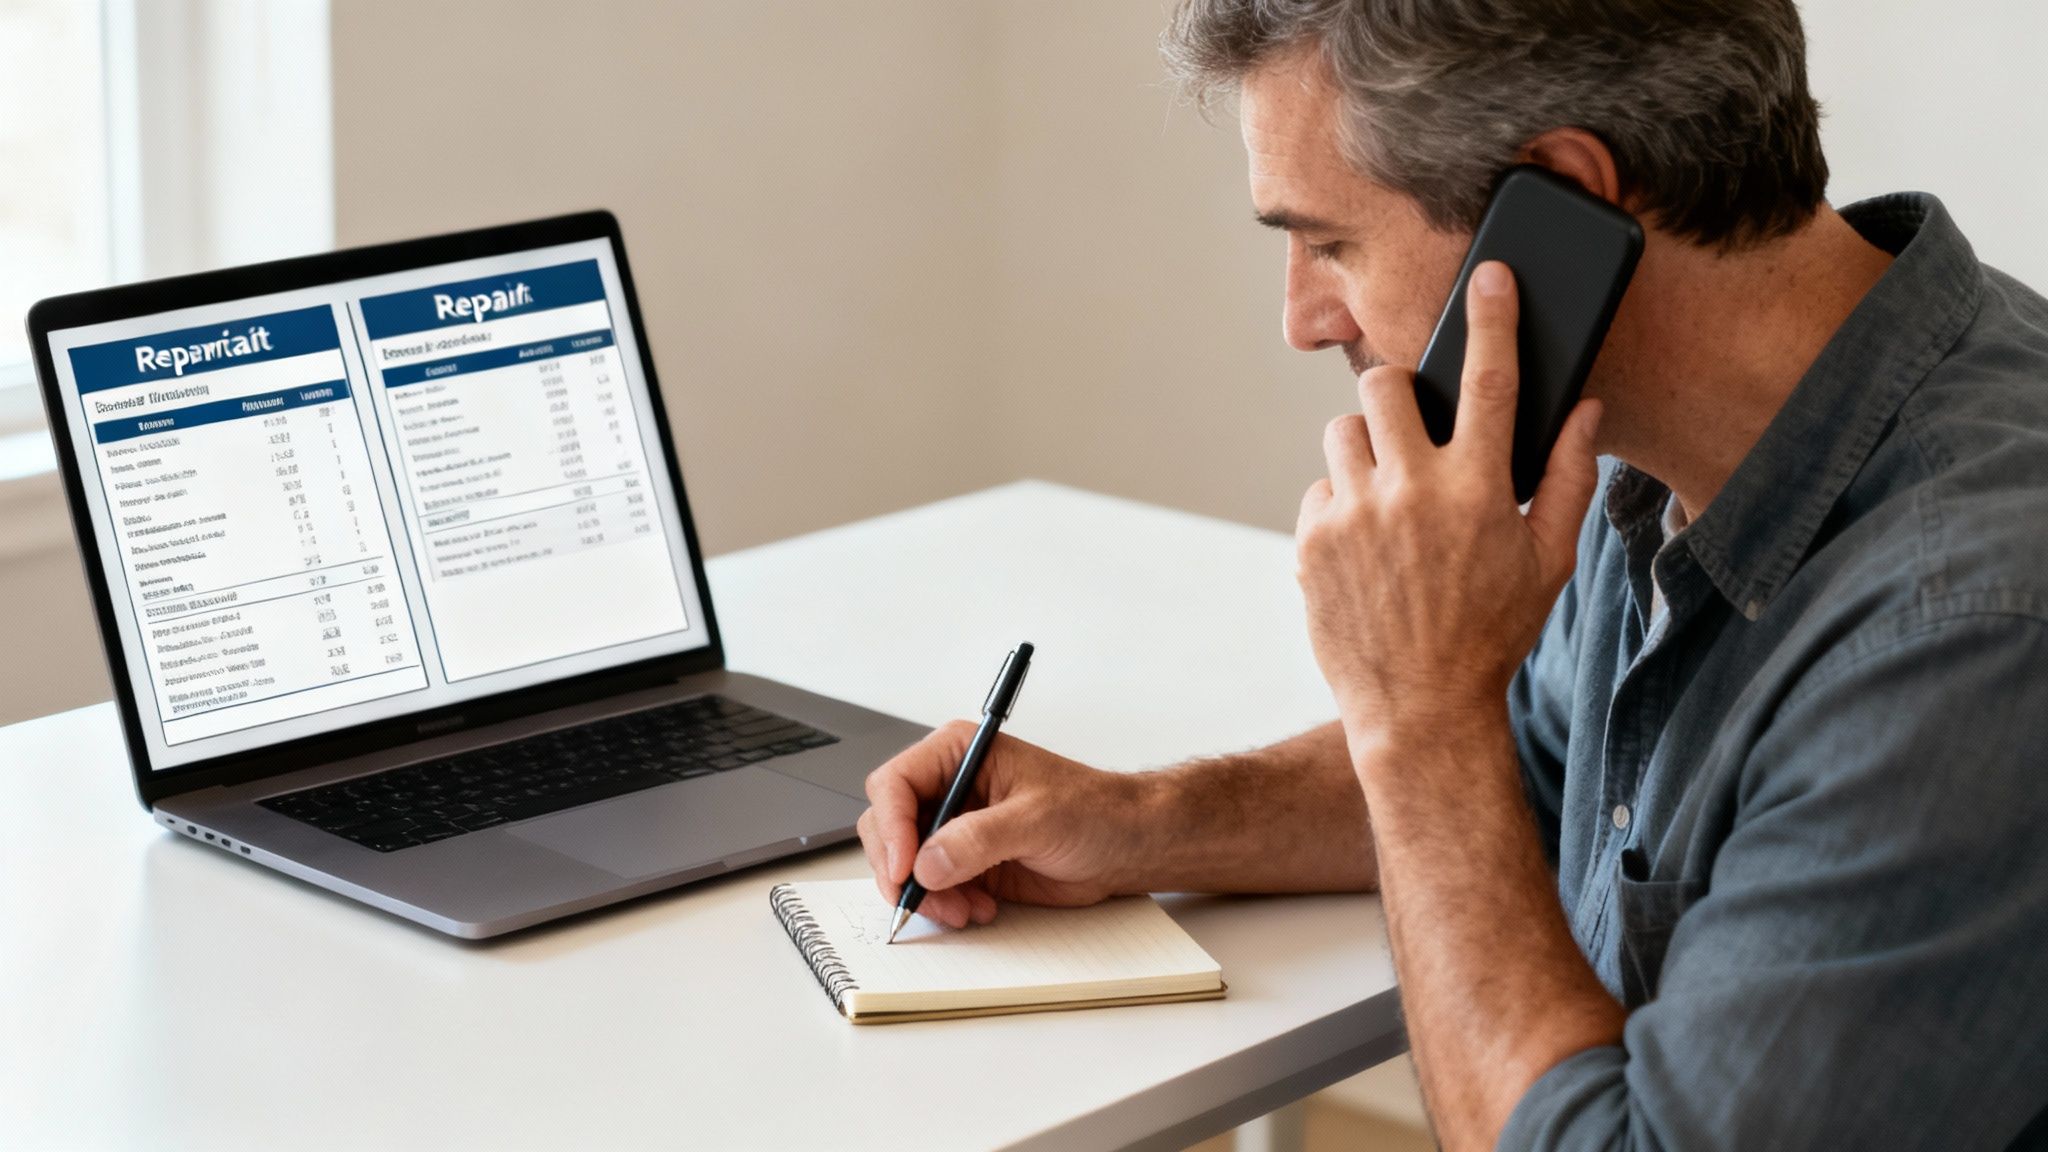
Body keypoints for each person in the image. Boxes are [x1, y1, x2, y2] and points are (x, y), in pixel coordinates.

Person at [856, 2, 2048, 1148]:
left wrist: (1414, 708)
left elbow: (1455, 771)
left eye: (1328, 243)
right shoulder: (1661, 450)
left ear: (1562, 205)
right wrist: (1137, 821)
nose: (1302, 319)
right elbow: (1523, 775)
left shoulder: (1967, 635)